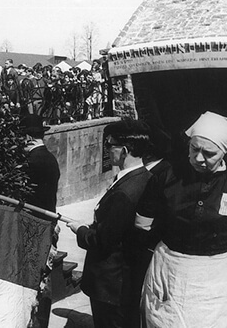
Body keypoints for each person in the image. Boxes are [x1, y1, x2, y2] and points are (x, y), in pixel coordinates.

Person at [141, 111, 227, 327]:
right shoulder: (168, 176)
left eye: (209, 153)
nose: (199, 158)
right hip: (170, 271)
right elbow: (142, 223)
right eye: (194, 149)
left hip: (215, 277)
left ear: (224, 153)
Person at [67, 119, 153, 328]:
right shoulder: (146, 178)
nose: (106, 151)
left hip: (110, 285)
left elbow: (103, 240)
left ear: (124, 150)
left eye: (109, 145)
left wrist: (81, 230)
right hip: (127, 280)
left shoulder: (124, 192)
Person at [21, 114, 60, 328]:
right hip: (46, 224)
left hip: (37, 227)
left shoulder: (33, 162)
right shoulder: (48, 158)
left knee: (40, 281)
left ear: (27, 137)